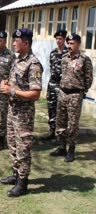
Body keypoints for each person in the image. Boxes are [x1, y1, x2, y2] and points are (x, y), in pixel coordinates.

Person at [0, 29, 43, 197]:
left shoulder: (33, 64)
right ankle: (16, 174)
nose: (13, 43)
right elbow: (16, 83)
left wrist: (11, 92)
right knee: (12, 144)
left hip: (24, 114)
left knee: (23, 147)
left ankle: (23, 183)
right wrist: (7, 84)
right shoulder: (17, 60)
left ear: (26, 43)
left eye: (16, 41)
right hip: (12, 110)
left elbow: (36, 94)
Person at [51, 33, 93, 162]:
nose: (69, 46)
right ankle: (62, 147)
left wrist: (82, 91)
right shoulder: (64, 58)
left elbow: (89, 78)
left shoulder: (84, 59)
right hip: (63, 92)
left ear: (78, 44)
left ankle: (71, 150)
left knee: (72, 124)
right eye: (68, 43)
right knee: (60, 121)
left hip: (75, 94)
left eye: (72, 43)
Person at [43, 30, 68, 141]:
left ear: (64, 39)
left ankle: (61, 134)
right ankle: (52, 131)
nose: (58, 41)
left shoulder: (68, 53)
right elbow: (51, 67)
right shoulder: (53, 53)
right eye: (57, 38)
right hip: (53, 84)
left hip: (63, 86)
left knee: (62, 110)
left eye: (60, 38)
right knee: (51, 108)